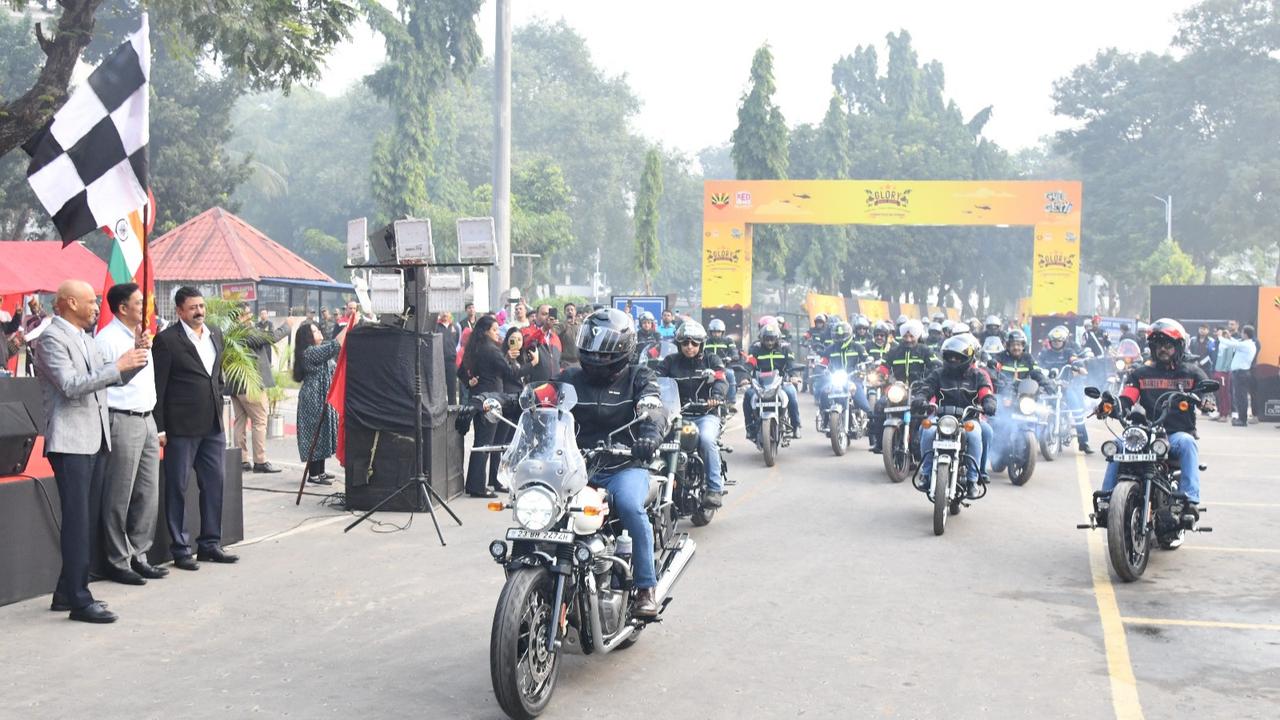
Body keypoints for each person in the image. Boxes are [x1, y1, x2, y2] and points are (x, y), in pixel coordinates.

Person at [34, 280, 148, 622]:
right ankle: (80, 599)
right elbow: (70, 386)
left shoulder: (86, 338)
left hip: (95, 439)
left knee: (84, 520)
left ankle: (65, 593)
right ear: (70, 302)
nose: (97, 306)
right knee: (77, 522)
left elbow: (110, 378)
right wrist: (118, 366)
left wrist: (136, 360)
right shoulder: (52, 339)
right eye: (91, 301)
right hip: (71, 441)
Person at [560, 308, 667, 616]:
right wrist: (499, 402)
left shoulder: (639, 377)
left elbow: (654, 409)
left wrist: (649, 436)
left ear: (623, 347)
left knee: (632, 507)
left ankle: (646, 587)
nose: (595, 351)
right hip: (578, 468)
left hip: (623, 465)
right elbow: (540, 396)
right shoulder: (570, 378)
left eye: (603, 344)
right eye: (591, 342)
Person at [152, 286, 239, 570]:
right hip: (180, 428)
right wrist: (160, 428)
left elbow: (216, 375)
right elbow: (159, 387)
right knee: (177, 487)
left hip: (213, 425)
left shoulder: (215, 333)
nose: (199, 312)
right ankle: (180, 549)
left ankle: (210, 544)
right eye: (193, 308)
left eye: (201, 306)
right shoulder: (166, 341)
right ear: (179, 311)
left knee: (215, 484)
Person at [95, 283, 169, 587]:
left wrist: (157, 424)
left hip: (147, 419)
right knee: (119, 494)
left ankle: (140, 554)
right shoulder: (107, 340)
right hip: (121, 419)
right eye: (139, 303)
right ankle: (117, 560)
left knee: (147, 494)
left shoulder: (143, 338)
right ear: (123, 308)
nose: (145, 307)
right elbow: (101, 382)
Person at [1101, 319, 1213, 512]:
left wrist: (1207, 400)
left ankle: (1190, 500)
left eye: (1168, 345)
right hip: (1144, 434)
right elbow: (1127, 398)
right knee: (1117, 445)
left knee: (1188, 443)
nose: (1163, 349)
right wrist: (1111, 406)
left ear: (1179, 347)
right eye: (1158, 345)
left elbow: (1206, 391)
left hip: (1175, 434)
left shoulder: (1191, 372)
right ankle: (1106, 500)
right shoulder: (1140, 374)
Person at [912, 335, 995, 499]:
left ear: (968, 358)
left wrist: (989, 403)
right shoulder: (938, 374)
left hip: (967, 419)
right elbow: (926, 388)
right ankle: (926, 474)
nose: (954, 360)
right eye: (950, 356)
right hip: (942, 418)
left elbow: (986, 392)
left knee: (975, 434)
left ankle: (972, 480)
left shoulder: (978, 376)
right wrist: (920, 398)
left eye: (958, 357)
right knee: (927, 432)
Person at [657, 320, 728, 508]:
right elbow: (656, 380)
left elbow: (721, 379)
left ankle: (714, 488)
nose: (690, 347)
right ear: (679, 344)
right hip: (676, 415)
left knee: (706, 439)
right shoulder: (670, 362)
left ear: (701, 344)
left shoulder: (711, 360)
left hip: (705, 414)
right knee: (656, 440)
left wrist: (716, 396)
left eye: (694, 343)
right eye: (685, 343)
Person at [461, 316, 531, 497]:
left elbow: (461, 371)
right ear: (485, 331)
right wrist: (532, 364)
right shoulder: (491, 350)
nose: (497, 333)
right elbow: (511, 373)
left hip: (480, 397)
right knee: (485, 443)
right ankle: (477, 486)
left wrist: (470, 382)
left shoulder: (475, 348)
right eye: (494, 329)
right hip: (491, 400)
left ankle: (481, 482)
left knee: (484, 443)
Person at [293, 316, 354, 485]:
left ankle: (320, 471)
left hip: (322, 395)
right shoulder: (310, 352)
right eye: (314, 331)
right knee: (315, 433)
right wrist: (348, 325)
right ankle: (313, 475)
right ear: (307, 337)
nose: (319, 332)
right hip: (313, 397)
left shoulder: (318, 350)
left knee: (324, 433)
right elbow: (334, 346)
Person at [231, 306, 288, 473]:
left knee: (240, 422)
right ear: (239, 317)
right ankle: (260, 461)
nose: (250, 316)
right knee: (259, 421)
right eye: (247, 313)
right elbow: (271, 337)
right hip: (251, 383)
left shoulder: (231, 332)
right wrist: (287, 326)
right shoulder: (246, 332)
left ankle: (241, 460)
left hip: (236, 384)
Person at [870, 320, 935, 453]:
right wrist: (880, 377)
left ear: (917, 336)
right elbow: (884, 367)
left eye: (911, 336)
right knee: (880, 405)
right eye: (905, 336)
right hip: (897, 389)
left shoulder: (925, 351)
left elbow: (935, 367)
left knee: (924, 410)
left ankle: (922, 443)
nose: (908, 339)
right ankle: (880, 441)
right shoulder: (894, 351)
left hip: (919, 389)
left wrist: (928, 380)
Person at [1037, 325, 1093, 454]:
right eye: (1054, 341)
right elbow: (1037, 364)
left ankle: (1083, 442)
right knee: (1036, 407)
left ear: (1064, 341)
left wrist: (1078, 367)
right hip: (1049, 387)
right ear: (1050, 342)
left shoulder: (1069, 352)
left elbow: (1075, 361)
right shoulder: (1044, 353)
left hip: (1065, 386)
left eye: (1059, 341)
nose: (1057, 343)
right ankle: (1031, 438)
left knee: (1077, 409)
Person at [742, 323, 802, 443]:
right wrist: (745, 377)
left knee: (791, 393)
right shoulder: (755, 349)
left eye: (772, 339)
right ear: (762, 339)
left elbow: (791, 364)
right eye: (766, 339)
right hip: (760, 384)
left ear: (777, 339)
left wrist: (794, 377)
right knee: (748, 395)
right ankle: (749, 428)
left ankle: (796, 426)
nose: (769, 342)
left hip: (781, 383)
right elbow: (750, 364)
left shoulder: (785, 348)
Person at [815, 321, 871, 432]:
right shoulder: (831, 348)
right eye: (838, 335)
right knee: (823, 393)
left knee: (864, 405)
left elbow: (866, 359)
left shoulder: (857, 347)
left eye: (842, 335)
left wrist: (867, 363)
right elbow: (823, 362)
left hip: (853, 379)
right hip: (835, 379)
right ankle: (825, 418)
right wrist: (821, 368)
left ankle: (872, 430)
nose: (840, 337)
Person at [1217, 325, 1257, 427]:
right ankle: (1241, 418)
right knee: (1239, 397)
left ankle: (1242, 420)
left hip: (1241, 373)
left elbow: (1231, 344)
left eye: (1242, 332)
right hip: (1241, 373)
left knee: (1241, 397)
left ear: (1246, 334)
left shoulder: (1247, 345)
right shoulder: (1247, 343)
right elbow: (1236, 342)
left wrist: (1220, 337)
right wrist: (1229, 336)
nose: (1241, 334)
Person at [704, 318, 741, 406]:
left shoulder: (728, 341)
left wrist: (733, 357)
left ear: (722, 332)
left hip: (723, 368)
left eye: (718, 332)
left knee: (730, 374)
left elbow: (734, 351)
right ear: (710, 332)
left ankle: (731, 402)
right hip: (707, 368)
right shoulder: (705, 342)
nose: (716, 334)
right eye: (714, 332)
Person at [435, 310, 461, 404]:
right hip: (438, 362)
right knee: (438, 389)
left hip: (451, 361)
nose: (445, 314)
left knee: (452, 388)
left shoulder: (455, 327)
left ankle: (453, 409)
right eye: (443, 312)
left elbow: (457, 342)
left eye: (447, 312)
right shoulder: (435, 327)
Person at [558, 302, 582, 370]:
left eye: (572, 310)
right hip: (565, 362)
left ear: (575, 312)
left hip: (579, 362)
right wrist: (565, 325)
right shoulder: (561, 326)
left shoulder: (580, 325)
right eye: (568, 310)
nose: (570, 311)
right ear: (564, 312)